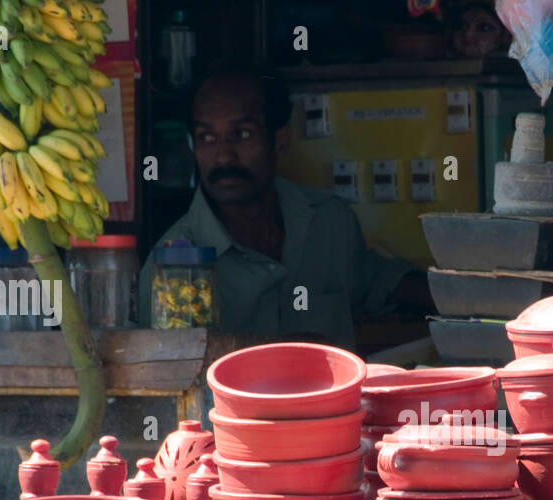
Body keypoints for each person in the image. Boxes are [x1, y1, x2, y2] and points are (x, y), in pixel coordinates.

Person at [139, 67, 433, 348]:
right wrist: (286, 351)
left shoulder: (329, 222)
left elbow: (373, 280)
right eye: (207, 137)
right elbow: (169, 369)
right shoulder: (171, 268)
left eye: (242, 134)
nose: (224, 156)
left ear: (279, 141)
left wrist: (466, 295)